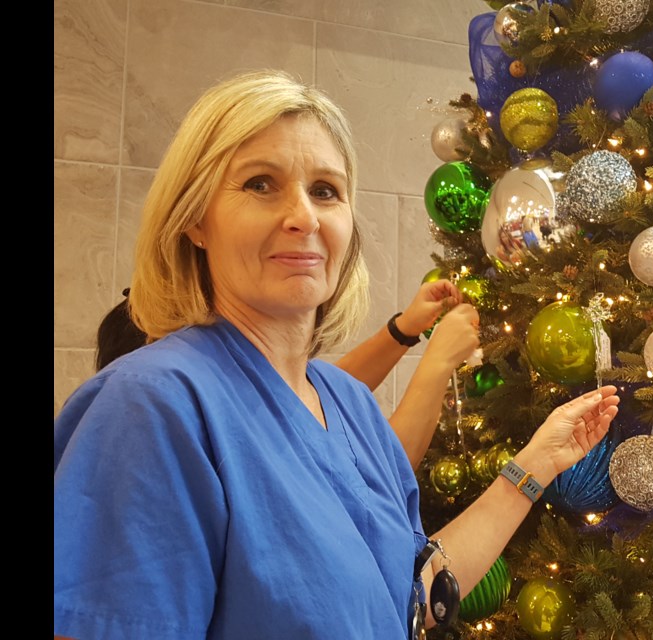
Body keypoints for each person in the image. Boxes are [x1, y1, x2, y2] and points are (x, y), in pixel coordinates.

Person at [53, 69, 620, 640]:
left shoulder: (345, 401)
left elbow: (411, 596)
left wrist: (537, 463)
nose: (303, 217)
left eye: (325, 190)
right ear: (196, 220)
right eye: (259, 184)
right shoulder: (151, 408)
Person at [94, 277, 475, 468]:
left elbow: (310, 400)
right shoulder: (175, 420)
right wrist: (438, 362)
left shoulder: (233, 395)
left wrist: (403, 331)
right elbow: (379, 473)